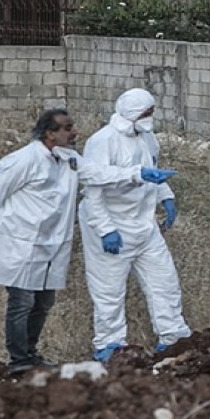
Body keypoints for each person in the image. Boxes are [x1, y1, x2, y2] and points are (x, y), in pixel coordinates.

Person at [0, 108, 176, 374]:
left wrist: (139, 174)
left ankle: (31, 355)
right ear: (50, 133)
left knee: (43, 302)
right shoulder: (23, 160)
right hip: (20, 242)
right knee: (22, 303)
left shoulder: (68, 158)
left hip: (50, 244)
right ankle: (19, 361)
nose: (74, 132)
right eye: (67, 128)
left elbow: (99, 174)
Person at [78, 88, 192, 363]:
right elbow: (93, 189)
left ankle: (173, 337)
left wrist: (166, 197)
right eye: (147, 112)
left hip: (144, 225)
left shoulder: (147, 137)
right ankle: (110, 346)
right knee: (109, 291)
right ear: (133, 114)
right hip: (112, 225)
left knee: (164, 282)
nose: (151, 116)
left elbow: (153, 167)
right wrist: (105, 230)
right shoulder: (103, 141)